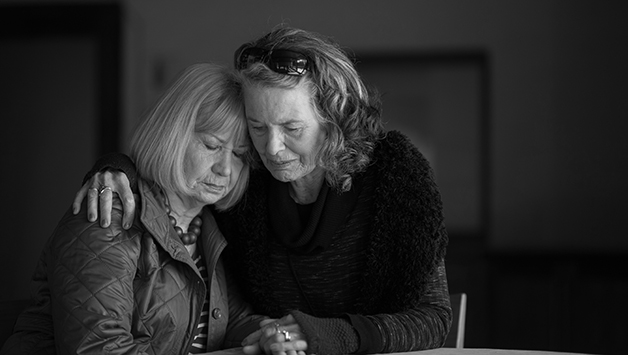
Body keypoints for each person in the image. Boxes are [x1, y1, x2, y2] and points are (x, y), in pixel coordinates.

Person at [72, 26, 452, 355]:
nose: (271, 149)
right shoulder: (244, 178)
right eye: (257, 127)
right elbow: (176, 165)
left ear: (333, 118)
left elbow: (434, 318)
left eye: (292, 128)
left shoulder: (395, 175)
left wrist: (339, 335)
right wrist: (115, 166)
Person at [0, 63, 267, 355]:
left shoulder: (205, 227)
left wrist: (271, 335)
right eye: (212, 145)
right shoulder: (108, 213)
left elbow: (232, 322)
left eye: (240, 154)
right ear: (172, 136)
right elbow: (98, 349)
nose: (225, 169)